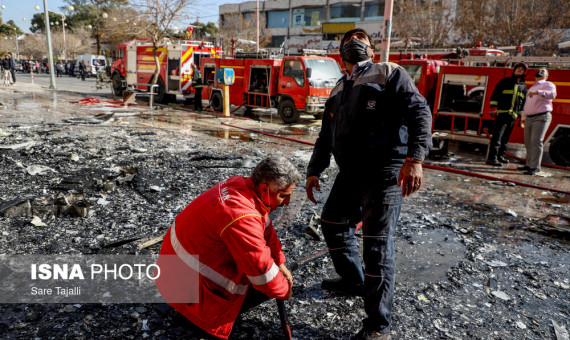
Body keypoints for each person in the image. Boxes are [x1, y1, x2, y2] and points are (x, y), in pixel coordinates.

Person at [305, 29, 432, 340]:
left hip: (384, 172)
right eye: (348, 39)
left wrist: (415, 159)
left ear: (372, 49)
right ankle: (353, 281)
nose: (353, 41)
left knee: (375, 246)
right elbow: (325, 136)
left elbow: (419, 111)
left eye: (360, 38)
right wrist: (314, 169)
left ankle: (378, 326)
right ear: (340, 53)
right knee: (332, 222)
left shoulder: (389, 72)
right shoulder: (338, 87)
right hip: (349, 173)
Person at [155, 156, 300, 339]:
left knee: (270, 276)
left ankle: (190, 313)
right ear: (264, 189)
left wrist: (280, 262)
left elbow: (265, 226)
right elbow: (262, 272)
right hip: (187, 287)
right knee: (267, 285)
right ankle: (194, 319)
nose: (286, 202)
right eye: (283, 196)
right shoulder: (241, 216)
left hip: (174, 273)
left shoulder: (238, 186)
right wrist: (284, 290)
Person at [486, 63, 528, 166]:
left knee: (505, 138)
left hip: (512, 116)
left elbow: (523, 102)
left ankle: (500, 156)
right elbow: (496, 94)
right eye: (517, 68)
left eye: (521, 69)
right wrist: (494, 108)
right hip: (502, 113)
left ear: (524, 72)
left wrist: (521, 116)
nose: (519, 70)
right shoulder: (505, 81)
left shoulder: (523, 86)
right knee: (497, 137)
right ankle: (492, 158)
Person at [518, 68, 556, 175]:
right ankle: (529, 164)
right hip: (529, 118)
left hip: (541, 117)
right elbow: (527, 104)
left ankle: (535, 167)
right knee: (528, 142)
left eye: (544, 71)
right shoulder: (532, 87)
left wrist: (538, 92)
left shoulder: (548, 84)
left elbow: (553, 95)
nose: (541, 72)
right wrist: (523, 117)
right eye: (540, 70)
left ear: (547, 76)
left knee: (536, 141)